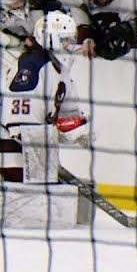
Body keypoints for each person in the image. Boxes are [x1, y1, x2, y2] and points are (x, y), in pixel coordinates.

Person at [1, 12, 91, 185]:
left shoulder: (60, 70)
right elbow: (18, 125)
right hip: (13, 149)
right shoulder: (31, 66)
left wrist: (77, 130)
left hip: (38, 148)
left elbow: (68, 112)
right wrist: (50, 136)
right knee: (31, 201)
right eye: (66, 40)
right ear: (51, 39)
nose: (70, 45)